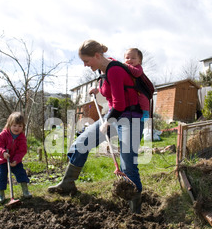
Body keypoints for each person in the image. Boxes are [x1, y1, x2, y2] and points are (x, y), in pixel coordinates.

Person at [48, 40, 144, 213]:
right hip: (115, 115)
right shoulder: (103, 69)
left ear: (97, 56)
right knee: (80, 144)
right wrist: (98, 90)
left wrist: (107, 122)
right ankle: (68, 184)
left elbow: (120, 104)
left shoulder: (114, 69)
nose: (85, 65)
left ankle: (135, 208)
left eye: (86, 61)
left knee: (128, 164)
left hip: (130, 118)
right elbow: (116, 89)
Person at [0, 112, 31, 203]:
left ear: (23, 127)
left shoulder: (22, 137)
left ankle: (25, 191)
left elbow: (22, 150)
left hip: (15, 160)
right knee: (1, 176)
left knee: (21, 173)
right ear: (9, 124)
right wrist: (3, 153)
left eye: (20, 126)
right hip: (2, 160)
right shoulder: (3, 135)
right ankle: (1, 195)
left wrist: (16, 160)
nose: (17, 128)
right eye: (14, 125)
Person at [124, 48, 150, 121]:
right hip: (133, 89)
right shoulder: (124, 68)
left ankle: (146, 113)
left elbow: (137, 73)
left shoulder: (138, 67)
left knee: (143, 98)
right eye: (127, 58)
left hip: (141, 88)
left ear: (139, 61)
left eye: (133, 58)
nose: (129, 60)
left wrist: (127, 66)